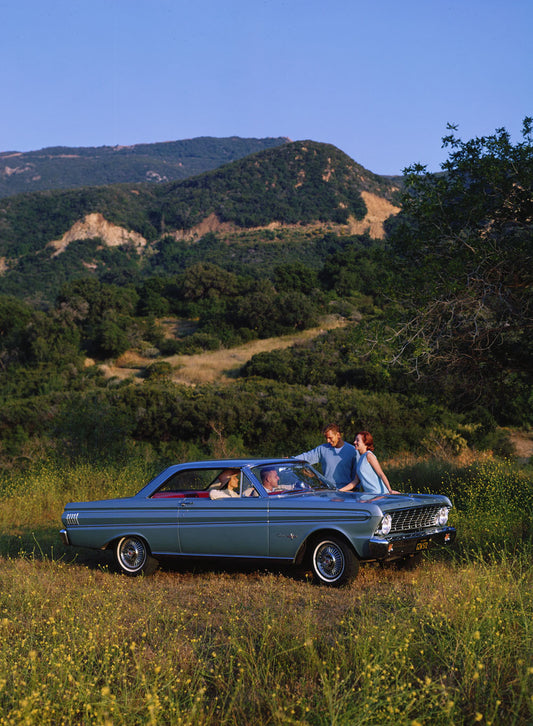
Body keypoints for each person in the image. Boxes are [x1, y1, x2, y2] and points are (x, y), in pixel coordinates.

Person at [295, 424, 357, 489]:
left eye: (330, 438)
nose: (328, 441)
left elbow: (356, 475)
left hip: (346, 493)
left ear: (338, 435)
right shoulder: (322, 449)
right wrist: (291, 459)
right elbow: (306, 457)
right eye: (326, 438)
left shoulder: (352, 451)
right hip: (328, 491)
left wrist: (354, 491)